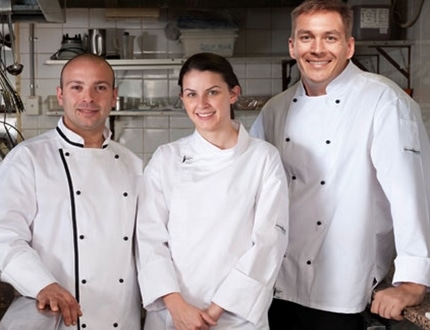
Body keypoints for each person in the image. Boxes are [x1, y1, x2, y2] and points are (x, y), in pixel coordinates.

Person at [250, 0, 430, 329]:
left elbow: (409, 193)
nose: (317, 49)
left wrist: (412, 282)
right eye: (306, 38)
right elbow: (253, 192)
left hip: (343, 291)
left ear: (349, 47)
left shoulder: (383, 101)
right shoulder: (275, 109)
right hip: (274, 287)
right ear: (292, 46)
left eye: (330, 38)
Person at [136, 52, 289, 330]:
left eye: (213, 92)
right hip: (174, 316)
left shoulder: (262, 157)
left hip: (236, 316)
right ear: (182, 99)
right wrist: (177, 307)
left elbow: (269, 240)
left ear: (233, 94)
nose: (202, 104)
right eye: (191, 94)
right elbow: (149, 238)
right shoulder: (166, 158)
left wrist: (216, 311)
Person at [0, 53, 142, 329]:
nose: (88, 98)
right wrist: (42, 284)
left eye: (99, 88)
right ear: (61, 95)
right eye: (77, 87)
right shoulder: (29, 158)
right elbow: (4, 235)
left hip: (120, 318)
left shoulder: (132, 164)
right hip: (49, 316)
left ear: (114, 96)